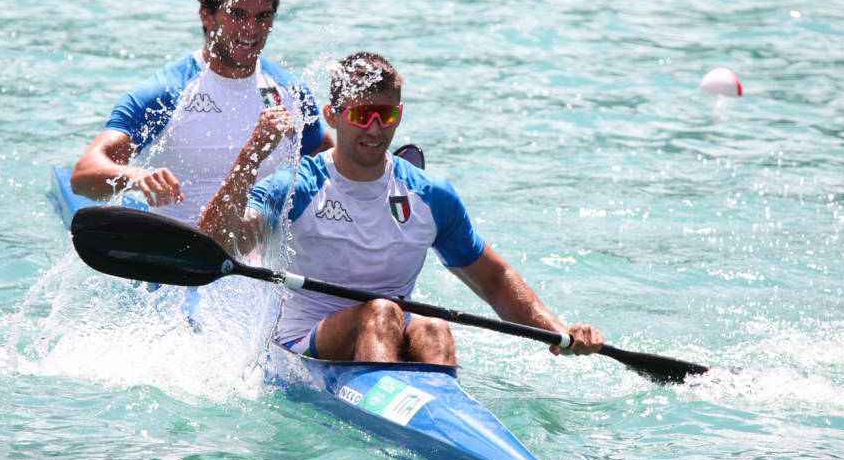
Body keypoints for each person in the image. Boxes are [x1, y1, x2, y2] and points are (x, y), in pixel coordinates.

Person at [198, 52, 602, 364]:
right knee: (380, 312)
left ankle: (441, 419)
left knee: (434, 330)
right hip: (302, 345)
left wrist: (558, 333)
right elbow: (214, 244)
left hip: (389, 329)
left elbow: (495, 281)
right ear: (333, 117)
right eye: (361, 115)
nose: (375, 129)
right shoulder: (297, 187)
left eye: (385, 115)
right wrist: (250, 156)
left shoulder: (430, 196)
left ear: (399, 115)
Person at [70, 0, 334, 225]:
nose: (251, 29)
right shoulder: (167, 94)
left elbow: (330, 163)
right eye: (237, 14)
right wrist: (136, 176)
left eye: (263, 17)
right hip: (180, 254)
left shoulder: (290, 93)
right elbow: (83, 175)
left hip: (257, 259)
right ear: (207, 17)